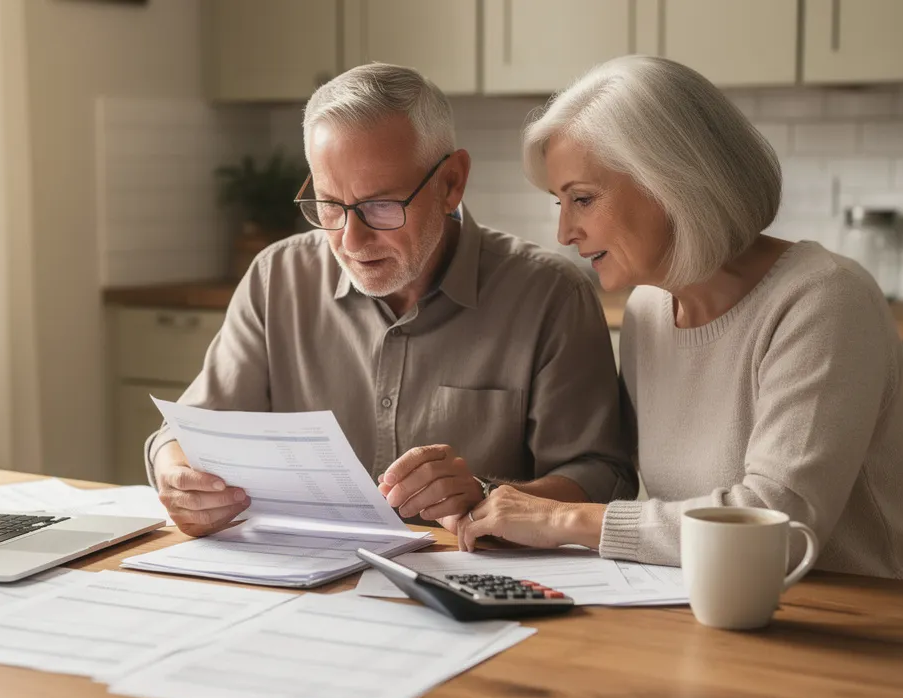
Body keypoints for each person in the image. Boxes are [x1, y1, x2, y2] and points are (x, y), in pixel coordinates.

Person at [444, 55, 903, 583]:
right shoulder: (649, 309)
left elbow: (774, 522)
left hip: (871, 625)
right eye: (560, 203)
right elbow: (652, 504)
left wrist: (564, 519)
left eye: (583, 200)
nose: (565, 232)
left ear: (673, 182)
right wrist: (498, 503)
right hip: (711, 610)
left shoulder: (825, 300)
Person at [147, 63, 636, 537]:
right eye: (329, 205)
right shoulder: (277, 278)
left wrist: (485, 493)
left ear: (451, 183)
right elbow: (184, 435)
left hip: (468, 594)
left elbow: (602, 477)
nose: (351, 241)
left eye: (381, 205)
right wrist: (178, 478)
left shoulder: (550, 296)